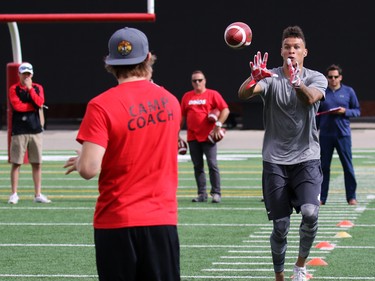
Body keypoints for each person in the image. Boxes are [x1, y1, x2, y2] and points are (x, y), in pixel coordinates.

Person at [63, 27, 181, 281]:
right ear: (148, 58)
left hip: (116, 221)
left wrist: (85, 157)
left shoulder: (100, 105)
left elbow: (88, 169)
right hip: (160, 219)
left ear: (110, 63)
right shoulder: (171, 101)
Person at [238, 26, 327, 281]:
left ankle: (299, 265)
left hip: (307, 157)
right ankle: (279, 276)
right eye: (287, 47)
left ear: (304, 52)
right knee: (280, 226)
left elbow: (311, 99)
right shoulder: (270, 77)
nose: (291, 51)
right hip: (275, 161)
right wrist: (253, 78)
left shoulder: (315, 77)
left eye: (296, 47)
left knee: (311, 213)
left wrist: (297, 83)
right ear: (281, 51)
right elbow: (243, 94)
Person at [180, 70, 230, 203]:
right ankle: (202, 194)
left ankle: (216, 193)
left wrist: (218, 123)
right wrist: (177, 132)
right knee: (197, 166)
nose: (197, 83)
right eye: (194, 81)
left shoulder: (212, 94)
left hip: (208, 136)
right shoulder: (187, 96)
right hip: (192, 136)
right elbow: (182, 116)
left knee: (212, 164)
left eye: (200, 80)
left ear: (205, 81)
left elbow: (225, 109)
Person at [317, 64, 360, 205]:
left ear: (340, 77)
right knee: (323, 167)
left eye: (336, 77)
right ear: (327, 78)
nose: (333, 79)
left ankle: (351, 197)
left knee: (348, 167)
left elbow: (357, 111)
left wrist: (345, 111)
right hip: (325, 136)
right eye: (330, 77)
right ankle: (322, 198)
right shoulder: (322, 92)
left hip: (343, 135)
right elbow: (317, 115)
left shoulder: (348, 91)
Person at [8, 62, 51, 204]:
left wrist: (30, 89)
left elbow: (39, 102)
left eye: (28, 74)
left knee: (37, 163)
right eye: (23, 73)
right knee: (16, 162)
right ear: (19, 74)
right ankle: (14, 193)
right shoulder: (13, 89)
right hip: (19, 130)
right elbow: (17, 106)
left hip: (35, 129)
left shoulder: (38, 88)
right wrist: (32, 106)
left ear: (31, 75)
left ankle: (38, 194)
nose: (26, 76)